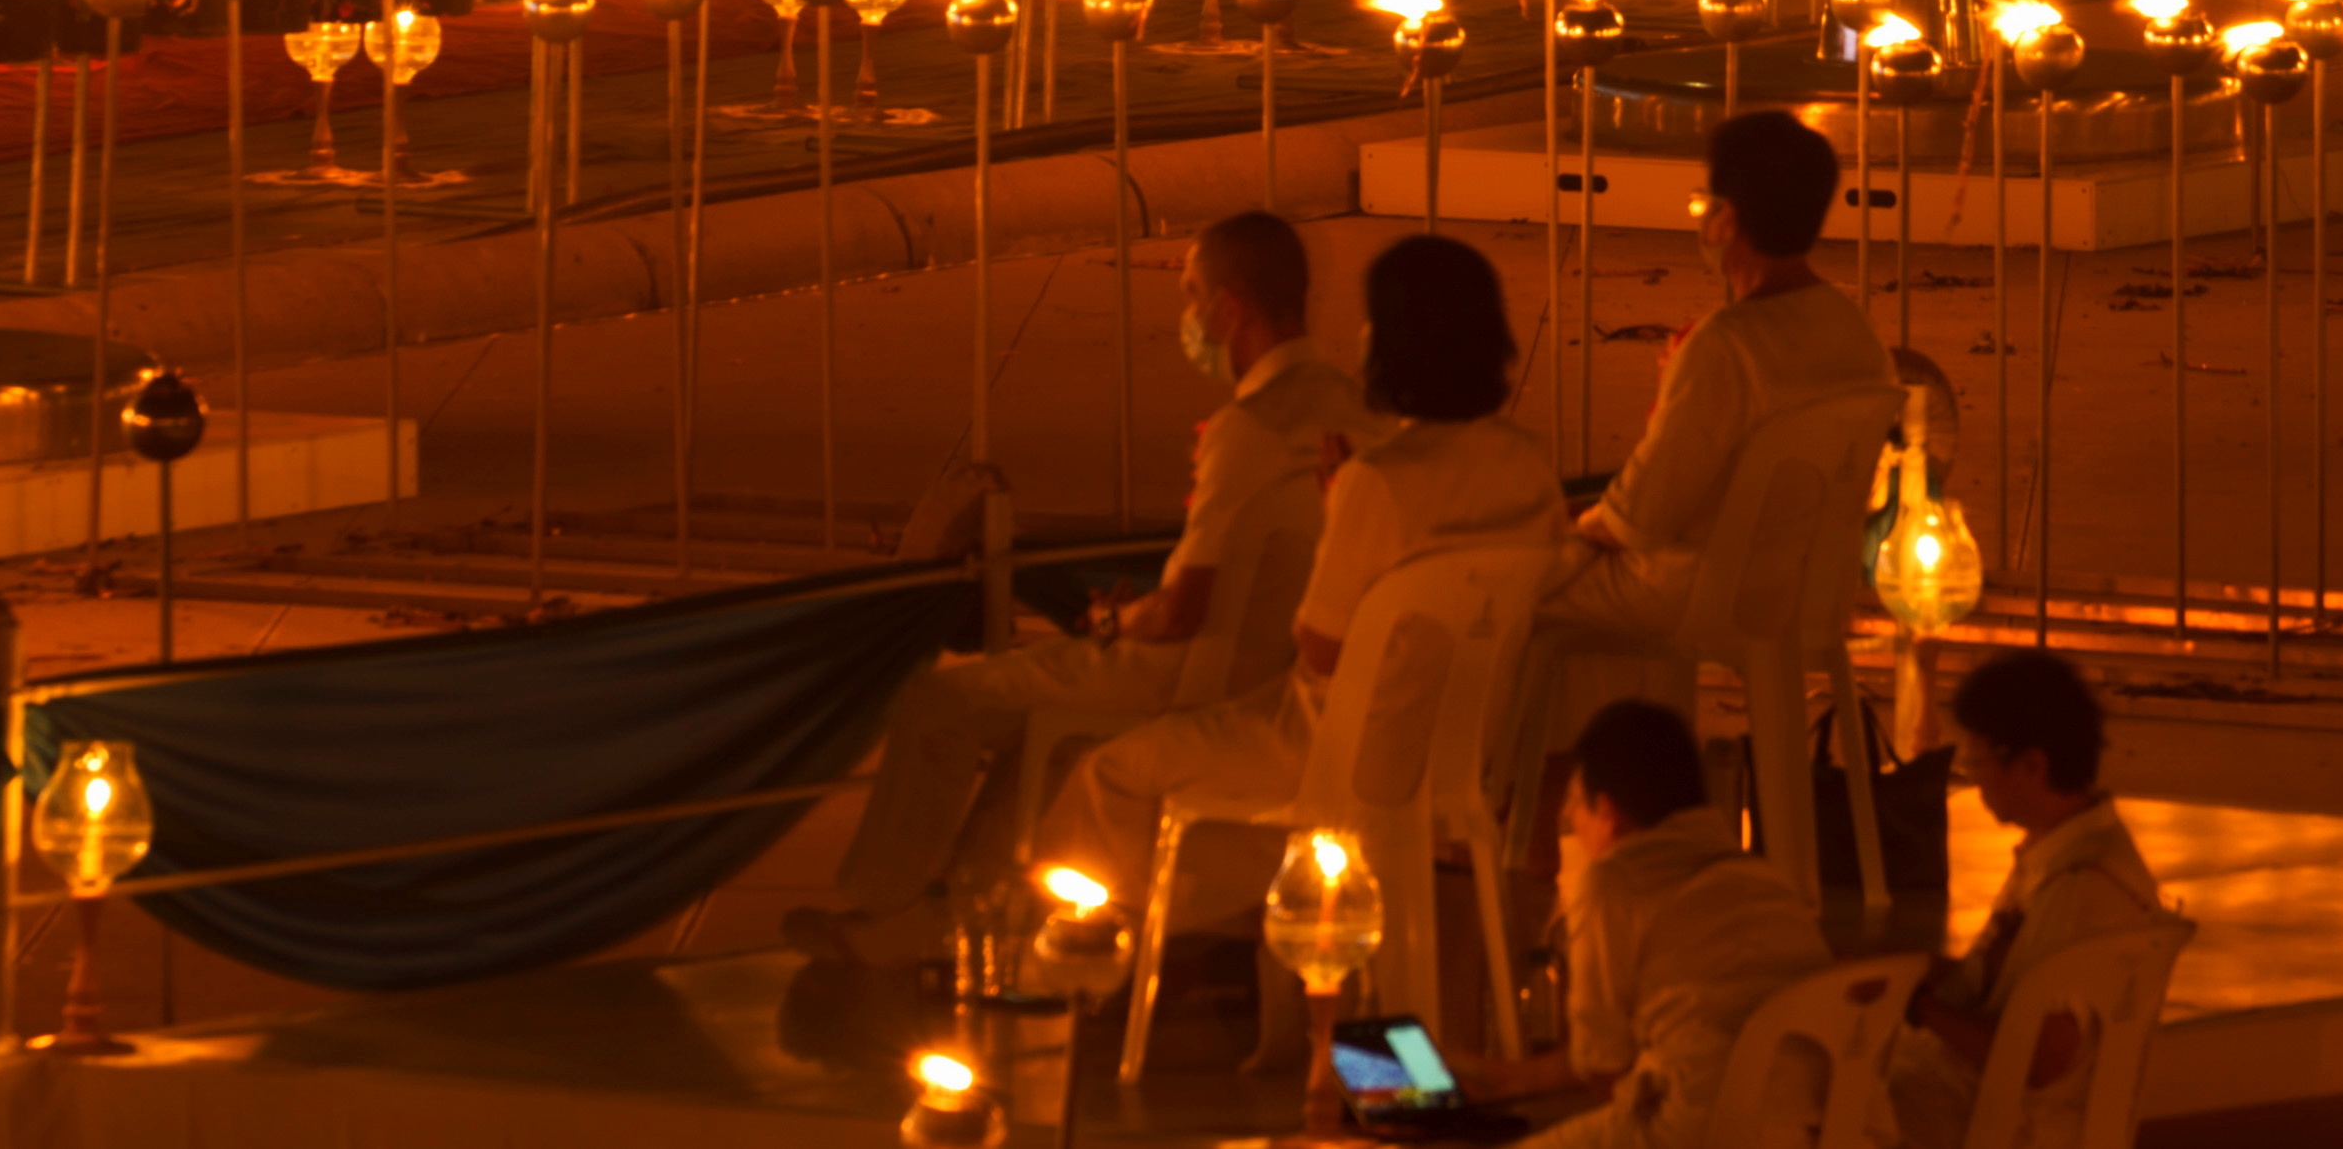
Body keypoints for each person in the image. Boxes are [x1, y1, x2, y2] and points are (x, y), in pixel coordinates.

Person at [785, 213, 1371, 969]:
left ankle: (881, 906)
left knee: (941, 706)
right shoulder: (1356, 413)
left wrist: (1108, 617)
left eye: (1192, 296)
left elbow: (1179, 610)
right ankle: (956, 908)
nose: (1188, 319)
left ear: (1231, 309)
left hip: (1185, 668)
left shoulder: (1248, 428)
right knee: (1036, 738)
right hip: (1276, 673)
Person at [1027, 231, 1565, 908]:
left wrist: (1339, 511)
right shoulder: (1526, 459)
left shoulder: (1378, 480)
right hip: (1463, 747)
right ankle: (1211, 943)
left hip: (1334, 742)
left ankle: (1095, 954)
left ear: (1390, 339)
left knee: (1109, 771)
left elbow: (1322, 645)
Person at [1546, 110, 1901, 650]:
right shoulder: (1852, 329)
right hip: (1803, 590)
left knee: (1493, 589)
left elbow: (1637, 520)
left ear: (1724, 219)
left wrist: (1564, 528)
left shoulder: (1723, 345)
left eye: (1703, 200)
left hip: (1690, 591)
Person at [1449, 700, 1835, 1149]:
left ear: (1608, 811)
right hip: (1820, 1125)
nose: (1570, 818)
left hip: (1703, 1126)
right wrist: (1509, 1080)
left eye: (1575, 803)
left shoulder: (1615, 882)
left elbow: (1603, 1070)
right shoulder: (1759, 880)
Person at [1881, 650, 2164, 1149]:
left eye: (1978, 761)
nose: (1972, 776)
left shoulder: (2082, 889)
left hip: (1989, 1122)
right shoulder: (2065, 855)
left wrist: (1917, 1008)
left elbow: (2040, 1057)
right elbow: (2007, 989)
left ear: (2031, 765)